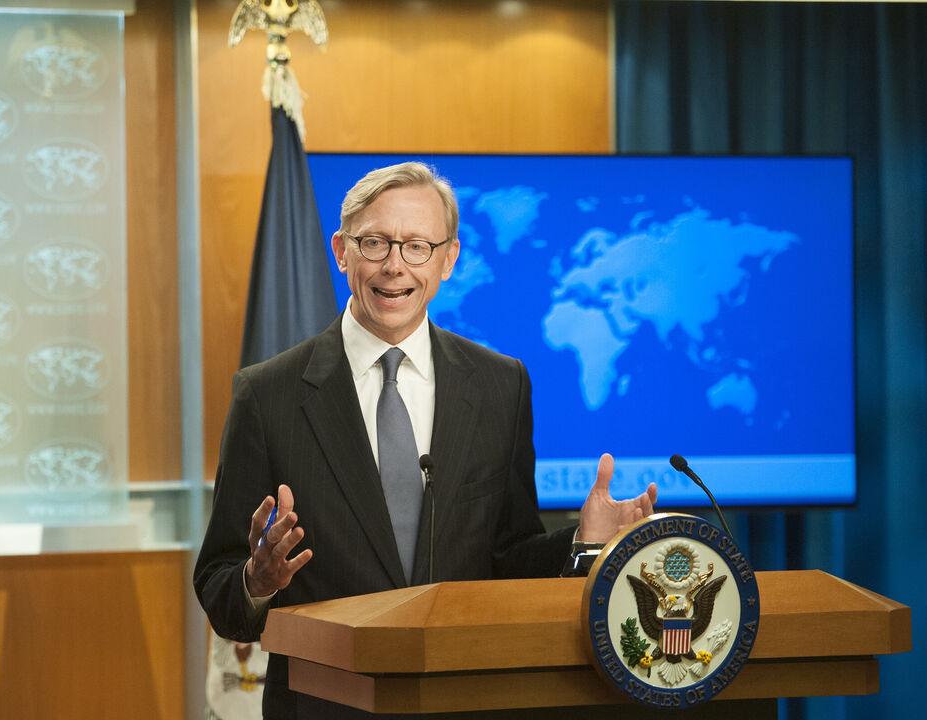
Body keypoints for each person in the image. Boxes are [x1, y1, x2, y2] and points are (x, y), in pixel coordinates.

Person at [194, 162, 657, 718]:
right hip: (324, 705)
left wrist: (580, 538)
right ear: (341, 251)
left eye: (417, 246)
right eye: (375, 243)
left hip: (467, 699)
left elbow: (506, 560)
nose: (395, 266)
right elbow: (219, 587)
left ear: (448, 259)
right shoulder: (266, 395)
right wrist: (258, 579)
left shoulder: (499, 385)